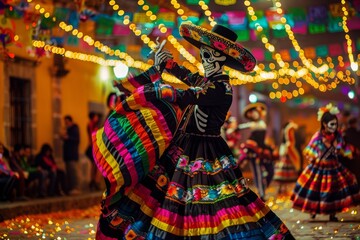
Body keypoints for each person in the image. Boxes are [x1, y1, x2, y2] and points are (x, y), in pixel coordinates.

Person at [95, 22, 294, 239]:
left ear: (219, 59)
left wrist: (158, 89)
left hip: (207, 150)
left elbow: (188, 94)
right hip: (185, 146)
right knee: (167, 196)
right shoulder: (208, 82)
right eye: (202, 55)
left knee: (212, 200)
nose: (203, 60)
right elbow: (188, 77)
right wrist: (165, 64)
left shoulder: (221, 88)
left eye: (207, 56)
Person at [291, 103, 360, 222]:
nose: (334, 126)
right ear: (324, 124)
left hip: (334, 165)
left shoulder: (337, 136)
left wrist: (350, 151)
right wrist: (314, 157)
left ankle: (332, 213)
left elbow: (344, 148)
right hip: (319, 166)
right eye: (332, 124)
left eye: (335, 124)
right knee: (315, 189)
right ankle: (313, 210)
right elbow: (310, 151)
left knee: (334, 190)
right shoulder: (317, 136)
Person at [237, 102, 275, 201]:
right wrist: (234, 128)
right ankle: (262, 194)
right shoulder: (252, 124)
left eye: (255, 111)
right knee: (257, 172)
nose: (254, 113)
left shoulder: (262, 122)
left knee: (270, 170)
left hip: (263, 149)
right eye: (251, 112)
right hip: (253, 151)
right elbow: (241, 127)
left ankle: (263, 188)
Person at [273, 121, 301, 195]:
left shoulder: (283, 131)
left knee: (284, 172)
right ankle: (282, 189)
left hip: (283, 150)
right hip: (287, 152)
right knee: (285, 172)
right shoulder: (288, 131)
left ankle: (282, 188)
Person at [61, 115, 81, 195]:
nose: (66, 124)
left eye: (67, 122)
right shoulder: (68, 129)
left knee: (73, 172)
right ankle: (70, 188)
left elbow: (76, 140)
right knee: (69, 172)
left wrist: (68, 138)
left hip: (72, 154)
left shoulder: (74, 129)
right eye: (65, 122)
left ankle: (75, 188)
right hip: (67, 155)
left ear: (70, 121)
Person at [86, 111, 102, 191]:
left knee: (95, 166)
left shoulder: (93, 124)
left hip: (94, 147)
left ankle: (94, 183)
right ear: (93, 117)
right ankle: (94, 182)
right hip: (93, 147)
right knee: (96, 166)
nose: (97, 118)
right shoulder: (91, 124)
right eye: (96, 116)